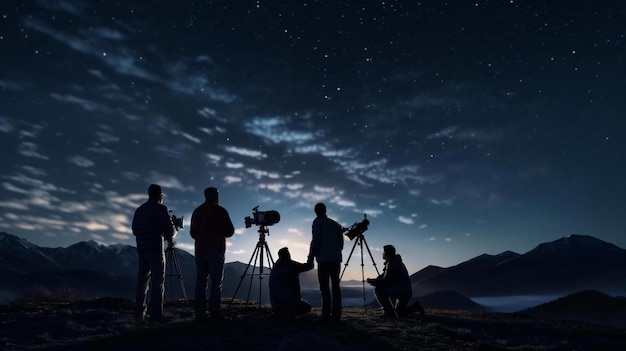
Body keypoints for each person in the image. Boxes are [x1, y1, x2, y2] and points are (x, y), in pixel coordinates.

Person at [131, 184, 177, 323]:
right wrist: (173, 227)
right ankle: (156, 314)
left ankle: (139, 313)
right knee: (157, 282)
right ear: (160, 195)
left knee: (142, 282)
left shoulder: (139, 210)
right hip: (155, 249)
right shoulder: (160, 208)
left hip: (142, 249)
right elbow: (169, 232)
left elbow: (134, 229)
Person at [190, 187, 235, 322]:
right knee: (216, 283)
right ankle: (215, 313)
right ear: (215, 195)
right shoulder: (220, 211)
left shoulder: (197, 211)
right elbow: (230, 231)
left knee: (201, 283)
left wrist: (202, 237)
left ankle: (200, 313)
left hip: (201, 251)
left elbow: (192, 233)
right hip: (216, 250)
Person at [307, 202, 344, 323]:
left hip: (324, 259)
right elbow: (341, 242)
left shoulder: (318, 222)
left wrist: (311, 257)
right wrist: (337, 252)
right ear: (325, 210)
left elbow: (316, 241)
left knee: (324, 288)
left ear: (316, 211)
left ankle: (326, 315)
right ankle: (336, 315)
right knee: (335, 288)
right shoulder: (335, 223)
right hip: (336, 259)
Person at [367, 244, 424, 319]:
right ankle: (415, 307)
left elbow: (386, 281)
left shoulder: (392, 263)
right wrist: (375, 280)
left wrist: (373, 282)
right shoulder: (394, 262)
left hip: (402, 292)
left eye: (383, 252)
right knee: (399, 313)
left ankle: (388, 313)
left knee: (378, 290)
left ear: (387, 253)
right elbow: (385, 277)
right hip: (404, 291)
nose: (382, 254)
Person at [270, 247, 314, 319]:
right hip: (290, 301)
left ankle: (280, 312)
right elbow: (307, 267)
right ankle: (288, 313)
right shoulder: (290, 265)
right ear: (288, 255)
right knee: (307, 307)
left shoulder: (275, 267)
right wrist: (311, 258)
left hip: (275, 304)